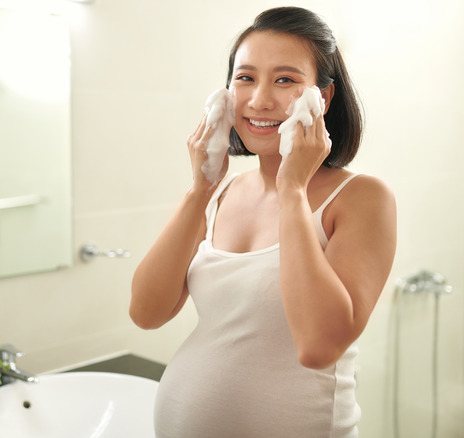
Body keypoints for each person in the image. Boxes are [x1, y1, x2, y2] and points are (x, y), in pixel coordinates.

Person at [130, 7, 397, 437]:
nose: (259, 101)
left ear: (323, 99)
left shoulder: (362, 198)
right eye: (246, 78)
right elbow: (146, 312)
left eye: (285, 80)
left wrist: (293, 190)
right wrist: (199, 189)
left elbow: (319, 346)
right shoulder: (218, 195)